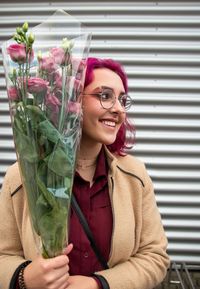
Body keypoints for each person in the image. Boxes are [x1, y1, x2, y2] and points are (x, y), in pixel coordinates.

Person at [0, 57, 170, 289]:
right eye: (105, 96)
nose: (119, 109)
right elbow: (3, 256)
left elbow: (154, 256)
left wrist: (98, 285)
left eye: (122, 99)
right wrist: (24, 277)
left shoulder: (134, 176)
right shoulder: (21, 177)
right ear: (71, 99)